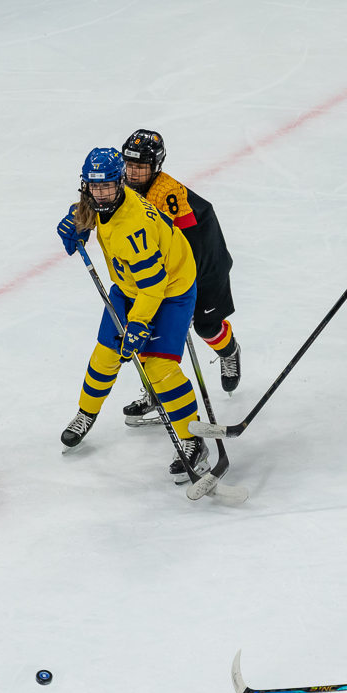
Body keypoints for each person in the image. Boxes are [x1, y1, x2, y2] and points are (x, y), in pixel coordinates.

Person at [56, 148, 207, 482]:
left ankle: (192, 441)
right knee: (105, 354)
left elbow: (154, 287)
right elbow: (84, 211)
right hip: (129, 286)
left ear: (120, 183)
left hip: (170, 289)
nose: (101, 194)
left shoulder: (132, 228)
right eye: (94, 188)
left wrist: (138, 325)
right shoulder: (97, 200)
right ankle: (85, 414)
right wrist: (75, 222)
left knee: (158, 366)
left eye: (107, 186)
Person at [118, 130, 241, 425]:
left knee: (206, 326)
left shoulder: (168, 193)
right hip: (164, 264)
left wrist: (177, 286)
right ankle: (155, 392)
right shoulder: (122, 187)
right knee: (153, 331)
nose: (133, 174)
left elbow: (191, 244)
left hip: (203, 260)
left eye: (140, 167)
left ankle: (230, 350)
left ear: (155, 166)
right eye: (129, 166)